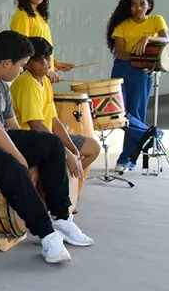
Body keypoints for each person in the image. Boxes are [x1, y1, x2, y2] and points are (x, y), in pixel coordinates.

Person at [0, 30, 94, 264]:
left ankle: (61, 218)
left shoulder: (0, 83)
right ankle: (47, 235)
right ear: (6, 63)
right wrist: (22, 159)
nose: (21, 70)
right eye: (21, 65)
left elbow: (12, 127)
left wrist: (33, 154)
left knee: (51, 144)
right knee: (10, 164)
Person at [10, 36, 101, 182]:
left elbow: (54, 121)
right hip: (31, 140)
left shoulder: (45, 81)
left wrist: (74, 152)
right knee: (55, 160)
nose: (45, 63)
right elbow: (36, 125)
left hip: (48, 137)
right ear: (26, 63)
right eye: (38, 59)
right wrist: (64, 152)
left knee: (93, 148)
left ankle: (66, 181)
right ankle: (50, 188)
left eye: (47, 57)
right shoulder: (26, 83)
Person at [105, 0, 169, 172]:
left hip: (143, 71)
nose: (138, 8)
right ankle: (150, 135)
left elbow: (166, 39)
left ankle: (127, 159)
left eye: (142, 4)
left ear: (149, 5)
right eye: (133, 5)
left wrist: (147, 37)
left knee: (136, 112)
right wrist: (138, 57)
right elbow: (121, 52)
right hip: (122, 68)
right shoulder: (122, 25)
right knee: (116, 112)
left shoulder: (156, 20)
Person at [9, 0, 77, 82]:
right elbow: (23, 49)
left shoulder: (39, 15)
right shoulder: (22, 15)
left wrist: (55, 64)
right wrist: (47, 70)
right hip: (32, 73)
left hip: (41, 71)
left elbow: (41, 46)